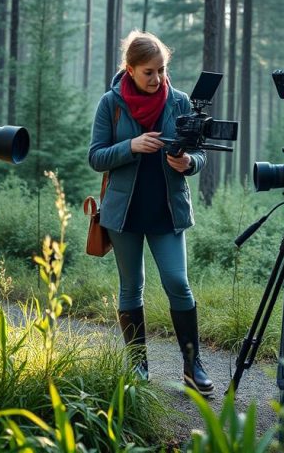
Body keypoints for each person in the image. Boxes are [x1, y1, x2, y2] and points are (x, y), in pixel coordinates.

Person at [87, 30, 214, 395]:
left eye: (161, 70)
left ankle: (193, 366)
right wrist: (131, 145)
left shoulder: (179, 102)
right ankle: (138, 367)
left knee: (178, 283)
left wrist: (188, 162)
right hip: (123, 214)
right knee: (131, 288)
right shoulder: (110, 104)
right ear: (130, 69)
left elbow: (200, 154)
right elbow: (96, 156)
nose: (157, 78)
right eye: (149, 72)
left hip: (167, 211)